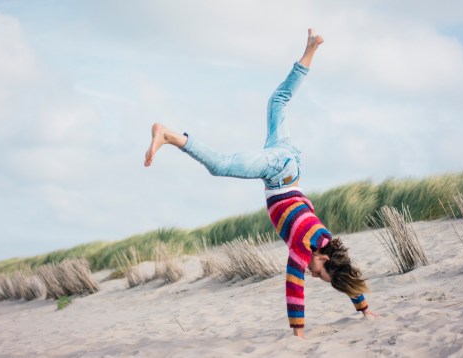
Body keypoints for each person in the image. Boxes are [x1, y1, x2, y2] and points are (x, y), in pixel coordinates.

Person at [144, 28, 377, 338]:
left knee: (277, 102)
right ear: (320, 259)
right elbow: (294, 288)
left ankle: (311, 48)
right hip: (278, 173)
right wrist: (298, 332)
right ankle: (169, 135)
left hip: (290, 166)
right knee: (220, 165)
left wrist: (363, 307)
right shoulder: (304, 249)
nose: (312, 273)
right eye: (317, 272)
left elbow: (344, 272)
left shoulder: (326, 242)